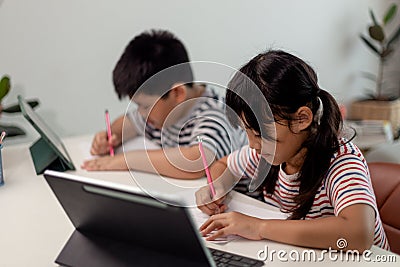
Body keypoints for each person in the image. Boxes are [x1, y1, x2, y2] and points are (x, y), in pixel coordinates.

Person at [196, 50, 389, 251]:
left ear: (301, 119)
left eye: (259, 133)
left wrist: (258, 227)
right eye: (247, 132)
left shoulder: (342, 161)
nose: (252, 144)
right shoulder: (268, 152)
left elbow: (359, 234)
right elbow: (224, 165)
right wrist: (217, 187)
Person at [81, 29, 246, 179]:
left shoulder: (215, 115)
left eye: (145, 106)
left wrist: (126, 160)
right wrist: (109, 136)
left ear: (177, 93)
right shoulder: (160, 114)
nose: (141, 113)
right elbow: (128, 123)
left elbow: (197, 162)